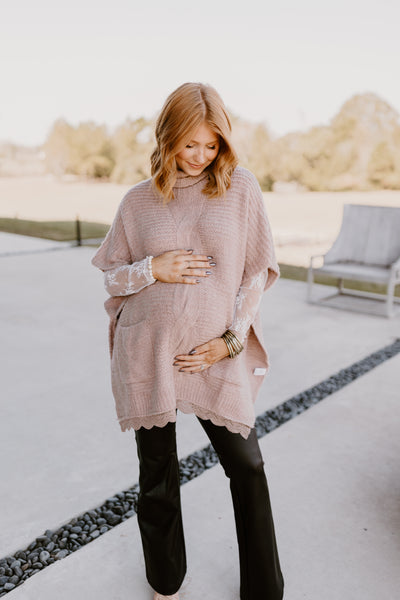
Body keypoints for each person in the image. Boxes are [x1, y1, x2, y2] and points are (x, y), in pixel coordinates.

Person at [92, 82, 284, 600]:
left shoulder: (239, 188)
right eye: (189, 144)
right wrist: (151, 268)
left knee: (248, 468)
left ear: (224, 143)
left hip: (212, 355)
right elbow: (111, 278)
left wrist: (232, 341)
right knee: (157, 476)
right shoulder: (137, 201)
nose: (200, 156)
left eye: (211, 145)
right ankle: (166, 582)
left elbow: (254, 273)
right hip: (148, 350)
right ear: (167, 138)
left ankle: (264, 590)